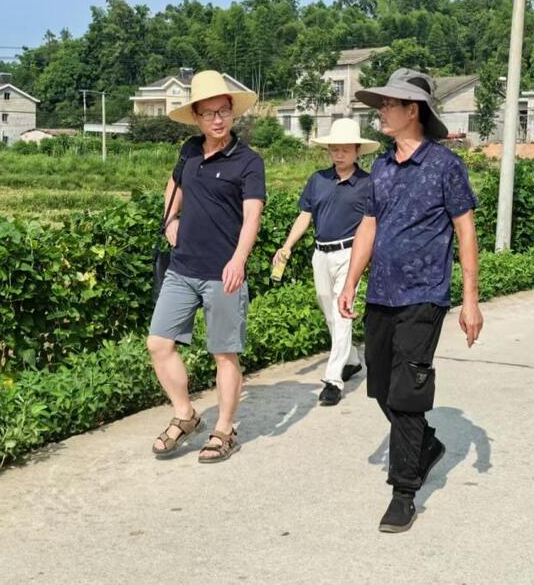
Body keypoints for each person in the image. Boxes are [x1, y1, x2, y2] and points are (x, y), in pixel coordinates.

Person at [337, 68, 483, 534]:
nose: (381, 111)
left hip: (424, 294)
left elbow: (465, 230)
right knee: (381, 386)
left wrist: (470, 299)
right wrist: (351, 281)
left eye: (389, 104)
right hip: (381, 293)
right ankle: (426, 444)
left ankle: (404, 492)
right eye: (381, 103)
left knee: (407, 392)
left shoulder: (444, 165)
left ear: (412, 110)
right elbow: (369, 225)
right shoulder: (381, 166)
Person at [147, 70, 265, 464]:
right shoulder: (189, 151)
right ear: (196, 117)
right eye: (209, 113)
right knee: (159, 343)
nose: (218, 120)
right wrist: (170, 220)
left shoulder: (248, 161)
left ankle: (224, 430)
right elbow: (174, 186)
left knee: (224, 353)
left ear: (233, 113)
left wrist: (239, 259)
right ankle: (185, 415)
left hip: (223, 272)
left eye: (224, 112)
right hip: (182, 267)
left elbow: (252, 216)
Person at [273, 118, 378, 406]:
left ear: (357, 151)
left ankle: (333, 380)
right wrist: (287, 246)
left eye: (345, 149)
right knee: (328, 308)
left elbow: (373, 224)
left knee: (342, 311)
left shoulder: (368, 184)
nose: (339, 154)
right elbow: (305, 215)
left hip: (349, 254)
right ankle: (351, 359)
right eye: (334, 149)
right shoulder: (317, 179)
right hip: (321, 253)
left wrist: (370, 257)